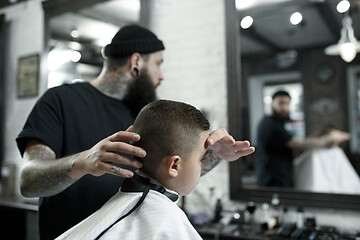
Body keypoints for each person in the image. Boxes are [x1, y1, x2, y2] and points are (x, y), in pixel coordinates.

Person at [16, 25, 255, 240]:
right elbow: (28, 181)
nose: (161, 75)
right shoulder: (60, 101)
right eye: (158, 63)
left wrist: (215, 154)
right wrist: (83, 161)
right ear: (137, 61)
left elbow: (171, 171)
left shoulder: (146, 115)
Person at [56, 99, 210, 239]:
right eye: (201, 159)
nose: (203, 165)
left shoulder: (121, 206)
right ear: (174, 166)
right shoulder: (167, 222)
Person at [256, 90, 350, 188]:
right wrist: (330, 138)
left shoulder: (277, 123)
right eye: (281, 103)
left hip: (281, 176)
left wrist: (323, 137)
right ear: (272, 103)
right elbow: (301, 144)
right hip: (273, 180)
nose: (284, 107)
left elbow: (300, 140)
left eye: (287, 103)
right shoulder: (270, 125)